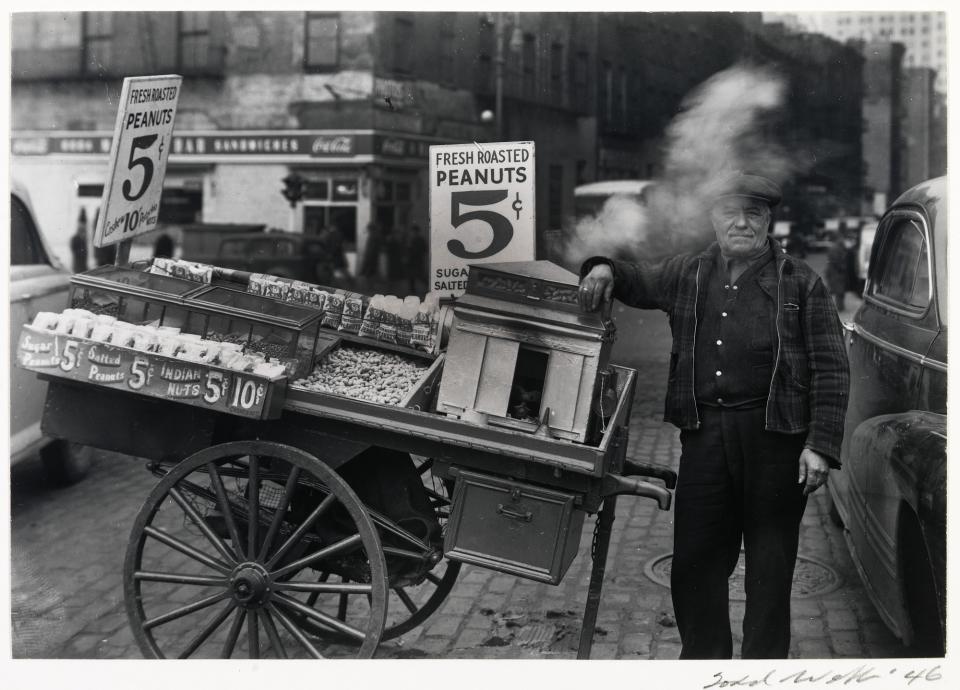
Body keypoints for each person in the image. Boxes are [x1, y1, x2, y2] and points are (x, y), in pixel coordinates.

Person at [578, 171, 849, 660]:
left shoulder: (801, 283)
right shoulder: (690, 272)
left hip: (776, 444)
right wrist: (603, 268)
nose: (741, 223)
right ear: (714, 217)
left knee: (770, 572)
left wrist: (821, 445)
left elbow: (831, 366)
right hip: (704, 440)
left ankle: (761, 671)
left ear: (769, 220)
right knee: (695, 564)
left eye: (754, 214)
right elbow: (638, 279)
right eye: (730, 212)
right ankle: (704, 666)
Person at [825, 232, 851, 311]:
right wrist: (842, 268)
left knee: (839, 290)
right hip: (836, 273)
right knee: (839, 290)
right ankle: (840, 307)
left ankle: (840, 306)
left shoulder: (836, 247)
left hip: (835, 272)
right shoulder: (836, 248)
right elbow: (836, 262)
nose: (843, 241)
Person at [404, 223, 428, 295]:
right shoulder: (413, 239)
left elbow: (424, 249)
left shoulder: (418, 240)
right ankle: (412, 290)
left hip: (417, 260)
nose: (413, 233)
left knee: (420, 276)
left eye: (414, 231)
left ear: (416, 232)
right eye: (412, 231)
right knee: (412, 276)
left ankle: (429, 286)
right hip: (413, 261)